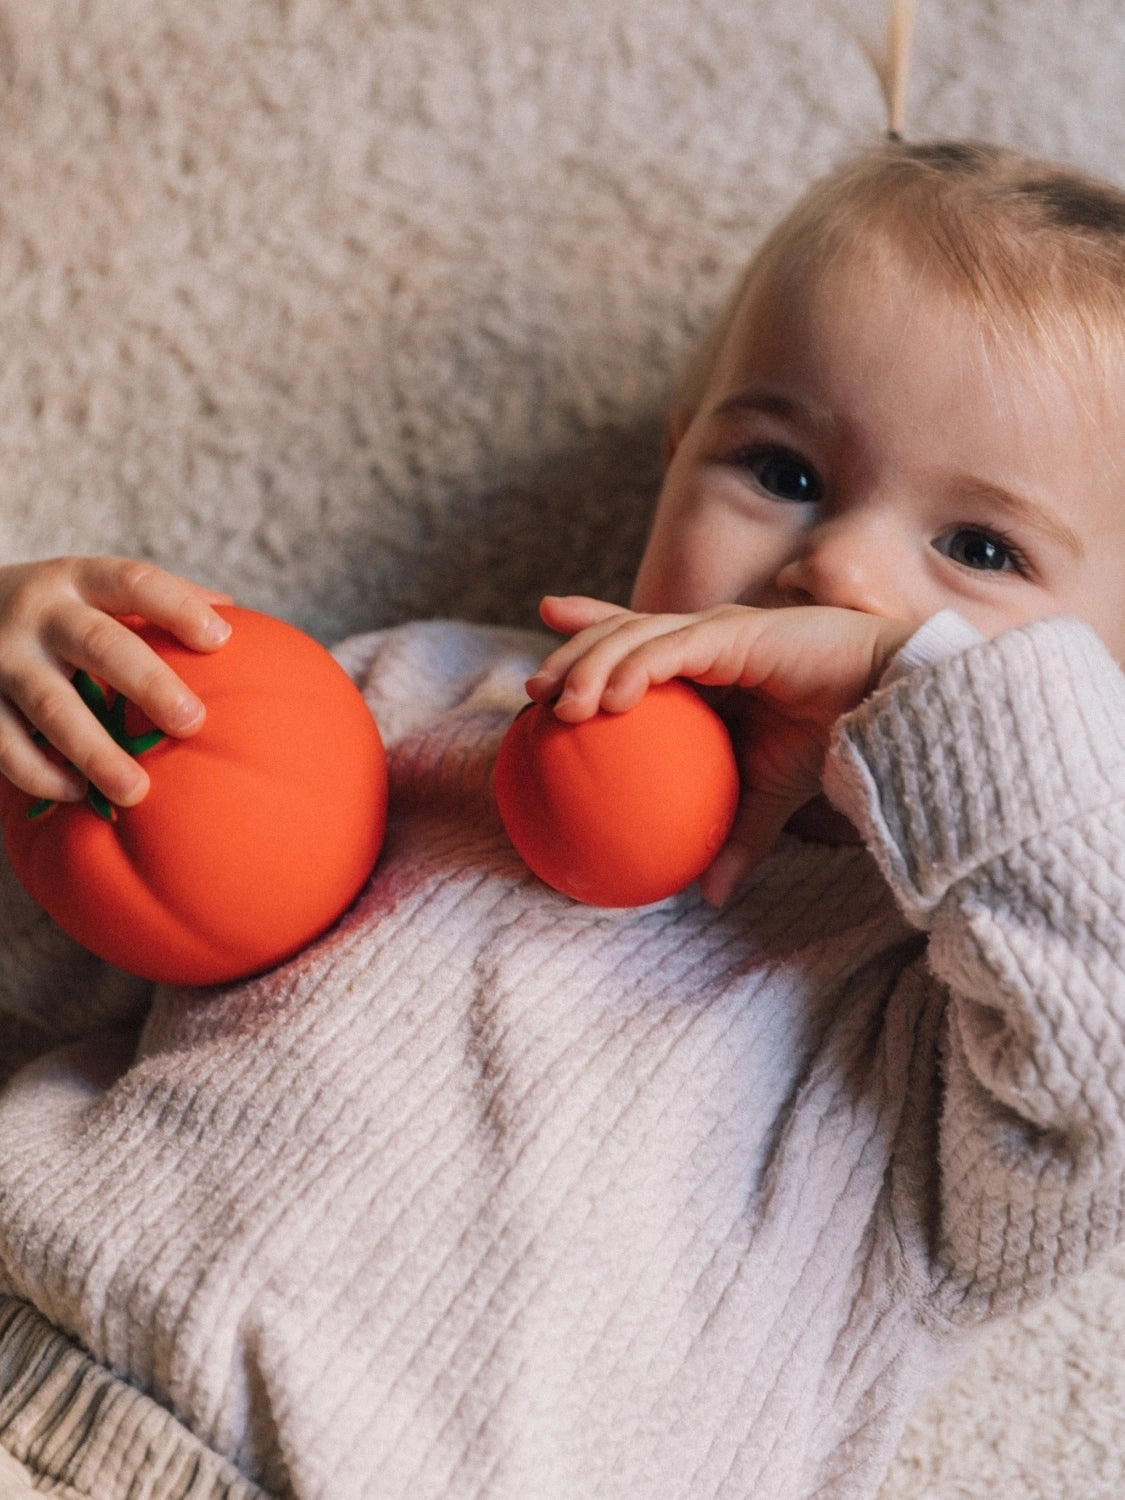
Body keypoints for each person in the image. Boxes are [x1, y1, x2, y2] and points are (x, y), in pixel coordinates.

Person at [1, 138, 1125, 1500]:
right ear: (675, 458)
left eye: (980, 552)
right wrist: (44, 725)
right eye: (778, 469)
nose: (834, 566)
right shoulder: (417, 697)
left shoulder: (962, 1020)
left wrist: (916, 686)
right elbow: (48, 957)